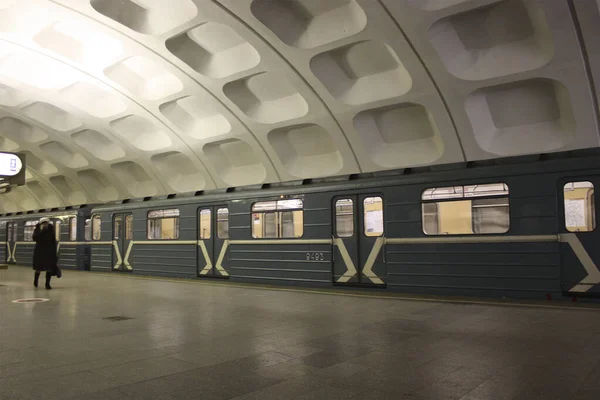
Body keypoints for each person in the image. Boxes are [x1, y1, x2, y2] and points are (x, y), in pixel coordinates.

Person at [32, 217, 58, 290]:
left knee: (49, 268)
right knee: (38, 268)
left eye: (46, 223)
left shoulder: (51, 230)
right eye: (43, 223)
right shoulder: (37, 230)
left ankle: (47, 284)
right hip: (39, 252)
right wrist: (40, 231)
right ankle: (36, 280)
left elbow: (53, 241)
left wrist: (54, 252)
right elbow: (35, 238)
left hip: (49, 251)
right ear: (40, 224)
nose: (45, 224)